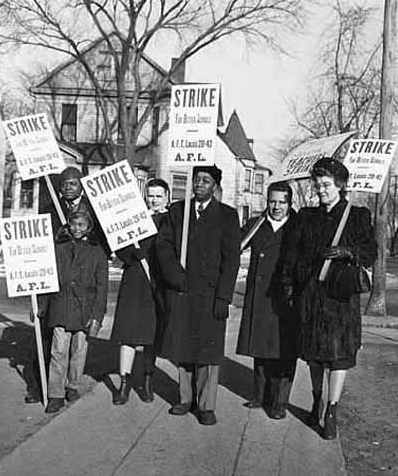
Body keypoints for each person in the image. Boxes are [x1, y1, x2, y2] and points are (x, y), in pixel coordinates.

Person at [281, 157, 377, 440]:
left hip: (340, 298)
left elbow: (371, 252)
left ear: (341, 185)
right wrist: (289, 284)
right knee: (313, 356)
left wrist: (347, 252)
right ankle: (316, 400)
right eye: (317, 184)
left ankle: (332, 411)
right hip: (311, 295)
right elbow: (291, 255)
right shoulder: (307, 217)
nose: (320, 189)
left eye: (326, 184)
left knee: (338, 357)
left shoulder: (357, 216)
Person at [156, 165, 241, 426]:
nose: (200, 184)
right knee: (183, 346)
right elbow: (163, 246)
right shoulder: (178, 211)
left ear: (215, 186)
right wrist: (175, 276)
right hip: (182, 289)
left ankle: (206, 405)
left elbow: (231, 260)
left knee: (208, 350)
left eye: (206, 180)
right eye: (197, 179)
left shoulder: (227, 215)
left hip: (211, 293)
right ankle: (184, 398)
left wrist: (223, 297)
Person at [236, 181, 298, 420]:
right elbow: (237, 246)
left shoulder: (296, 227)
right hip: (260, 293)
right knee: (260, 345)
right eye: (272, 201)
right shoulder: (257, 224)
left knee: (283, 349)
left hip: (285, 295)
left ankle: (279, 402)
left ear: (289, 204)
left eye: (282, 202)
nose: (276, 206)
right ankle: (260, 395)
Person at [37, 209, 108, 414]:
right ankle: (55, 394)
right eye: (73, 224)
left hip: (85, 309)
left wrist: (97, 315)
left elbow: (102, 287)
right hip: (61, 306)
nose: (77, 229)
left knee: (79, 351)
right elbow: (46, 278)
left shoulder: (97, 252)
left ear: (89, 227)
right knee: (58, 351)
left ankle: (73, 385)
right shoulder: (58, 249)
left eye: (81, 225)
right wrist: (41, 304)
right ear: (68, 225)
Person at [111, 178, 170, 405]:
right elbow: (119, 245)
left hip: (155, 280)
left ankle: (147, 379)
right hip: (134, 279)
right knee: (127, 332)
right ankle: (124, 383)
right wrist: (129, 253)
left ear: (166, 196)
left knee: (150, 335)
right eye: (150, 195)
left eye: (158, 195)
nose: (154, 200)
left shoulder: (170, 219)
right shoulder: (134, 217)